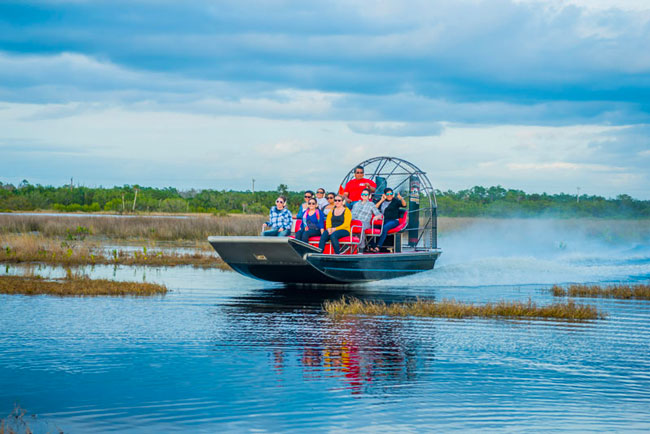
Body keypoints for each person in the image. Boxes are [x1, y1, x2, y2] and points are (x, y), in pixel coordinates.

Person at [369, 188, 407, 252]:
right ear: (384, 194)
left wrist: (401, 198)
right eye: (387, 194)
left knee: (385, 227)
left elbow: (404, 205)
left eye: (391, 194)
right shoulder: (382, 201)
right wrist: (381, 200)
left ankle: (378, 246)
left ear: (393, 194)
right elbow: (374, 208)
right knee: (372, 227)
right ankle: (372, 246)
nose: (389, 195)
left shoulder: (395, 201)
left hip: (394, 220)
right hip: (383, 220)